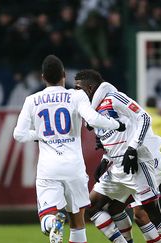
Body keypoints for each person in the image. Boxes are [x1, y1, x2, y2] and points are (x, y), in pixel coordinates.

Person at [13, 55, 125, 243]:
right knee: (78, 222)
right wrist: (116, 125)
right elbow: (93, 119)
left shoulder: (32, 100)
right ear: (64, 75)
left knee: (46, 216)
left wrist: (41, 135)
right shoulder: (76, 95)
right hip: (74, 168)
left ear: (43, 77)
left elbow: (19, 134)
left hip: (49, 169)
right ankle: (58, 223)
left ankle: (52, 223)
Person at [74, 69, 161, 243]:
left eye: (79, 88)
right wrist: (106, 159)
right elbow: (115, 137)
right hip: (117, 166)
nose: (76, 92)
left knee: (148, 213)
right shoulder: (92, 112)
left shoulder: (114, 98)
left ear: (90, 88)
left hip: (139, 161)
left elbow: (144, 118)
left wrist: (132, 148)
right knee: (91, 207)